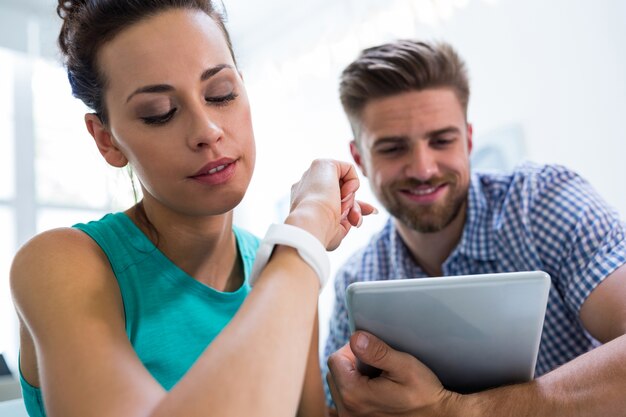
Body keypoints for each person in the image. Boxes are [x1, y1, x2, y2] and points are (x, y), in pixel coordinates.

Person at [9, 1, 376, 417]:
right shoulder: (60, 266)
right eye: (159, 113)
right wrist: (307, 223)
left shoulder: (284, 268)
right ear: (107, 140)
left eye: (221, 93)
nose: (207, 131)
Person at [323, 39, 626, 416]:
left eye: (441, 140)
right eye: (393, 148)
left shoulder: (542, 201)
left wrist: (463, 410)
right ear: (359, 159)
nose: (423, 168)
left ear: (467, 139)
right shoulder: (357, 279)